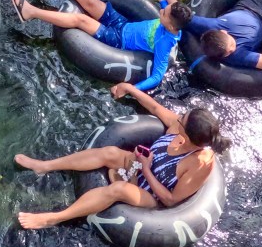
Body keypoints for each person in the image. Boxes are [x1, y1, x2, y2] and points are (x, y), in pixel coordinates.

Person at [15, 82, 230, 229]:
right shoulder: (178, 126)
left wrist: (146, 168)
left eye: (182, 118)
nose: (179, 116)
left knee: (118, 189)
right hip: (140, 166)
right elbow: (155, 107)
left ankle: (53, 218)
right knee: (109, 153)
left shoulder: (199, 163)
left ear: (188, 132)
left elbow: (170, 199)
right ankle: (44, 166)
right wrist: (129, 88)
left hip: (153, 196)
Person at [10, 0, 192, 92]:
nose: (161, 9)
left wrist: (130, 88)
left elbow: (157, 76)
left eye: (164, 12)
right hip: (123, 24)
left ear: (169, 24)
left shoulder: (165, 43)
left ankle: (30, 12)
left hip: (117, 40)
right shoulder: (175, 23)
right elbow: (173, 6)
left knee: (80, 20)